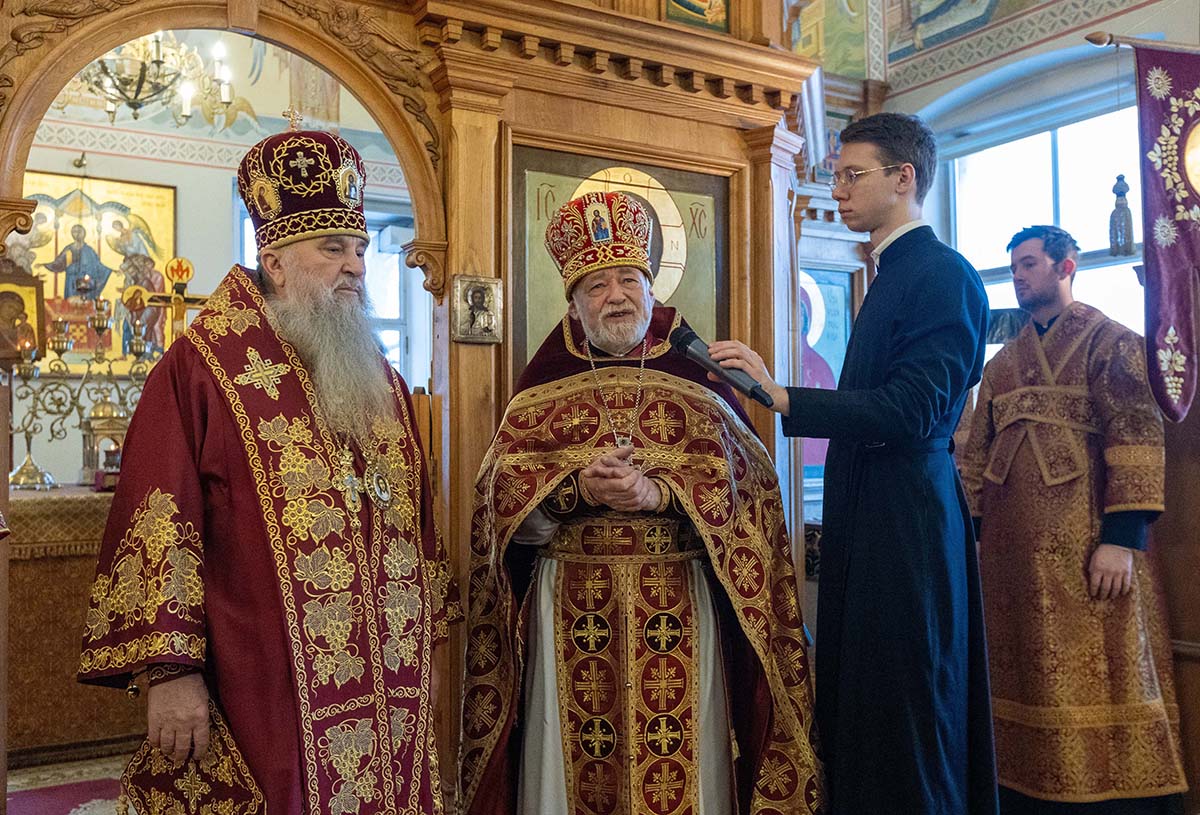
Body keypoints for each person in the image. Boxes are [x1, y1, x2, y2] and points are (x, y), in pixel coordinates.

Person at [78, 121, 461, 815]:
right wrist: (169, 672)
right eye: (333, 248)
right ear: (276, 260)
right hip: (263, 681)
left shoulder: (379, 379)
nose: (356, 266)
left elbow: (418, 524)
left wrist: (428, 645)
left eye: (360, 248)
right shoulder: (202, 369)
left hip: (389, 680)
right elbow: (158, 523)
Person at [459, 190, 823, 815]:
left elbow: (751, 502)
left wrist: (664, 494)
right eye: (596, 285)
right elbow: (498, 513)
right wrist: (575, 491)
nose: (617, 296)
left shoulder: (697, 377)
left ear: (652, 287)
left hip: (679, 599)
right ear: (573, 302)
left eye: (629, 279)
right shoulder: (540, 385)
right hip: (568, 603)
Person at [708, 112, 998, 815]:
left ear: (904, 178)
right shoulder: (895, 272)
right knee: (868, 705)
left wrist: (781, 395)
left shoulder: (942, 275)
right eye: (835, 176)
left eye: (851, 175)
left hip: (908, 526)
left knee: (907, 710)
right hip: (877, 514)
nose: (836, 190)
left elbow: (912, 409)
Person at [959, 225, 1188, 814]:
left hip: (1087, 553)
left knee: (1104, 672)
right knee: (1022, 678)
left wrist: (1122, 539)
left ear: (1067, 267)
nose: (1018, 276)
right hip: (1009, 561)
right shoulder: (1003, 365)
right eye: (1014, 267)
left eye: (1030, 264)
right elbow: (975, 457)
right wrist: (972, 538)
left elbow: (1136, 436)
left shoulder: (1112, 343)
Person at [42, 223, 114, 300]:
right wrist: (45, 265)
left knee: (85, 302)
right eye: (74, 232)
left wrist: (109, 270)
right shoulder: (69, 249)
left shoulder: (89, 250)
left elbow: (97, 265)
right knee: (71, 302)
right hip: (71, 281)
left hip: (85, 282)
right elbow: (59, 263)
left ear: (84, 233)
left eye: (79, 231)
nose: (77, 234)